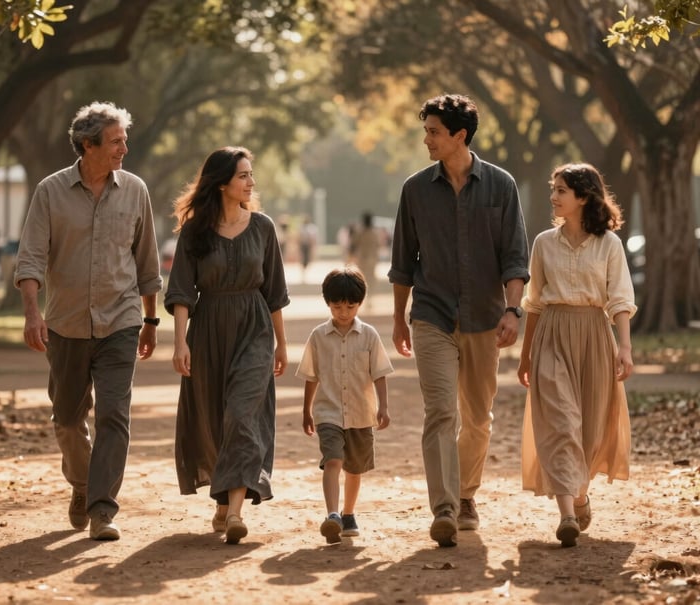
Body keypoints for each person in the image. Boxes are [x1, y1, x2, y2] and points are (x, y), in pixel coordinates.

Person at [14, 101, 162, 541]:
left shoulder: (135, 190)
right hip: (66, 325)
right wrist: (31, 313)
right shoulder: (50, 191)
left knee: (114, 415)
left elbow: (147, 261)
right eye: (115, 141)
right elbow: (32, 257)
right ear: (88, 145)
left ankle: (102, 508)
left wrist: (151, 320)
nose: (124, 148)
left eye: (123, 140)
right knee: (67, 420)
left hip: (121, 321)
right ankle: (82, 484)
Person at [388, 93, 530, 547]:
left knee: (478, 417)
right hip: (430, 314)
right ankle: (445, 507)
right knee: (441, 412)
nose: (426, 139)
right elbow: (403, 261)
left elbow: (514, 256)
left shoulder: (501, 186)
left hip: (485, 317)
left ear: (459, 136)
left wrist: (512, 310)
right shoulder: (414, 189)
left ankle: (467, 493)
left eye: (433, 131)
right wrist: (398, 318)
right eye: (426, 130)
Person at [164, 146, 289, 545]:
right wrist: (180, 343)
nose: (252, 182)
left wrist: (282, 344)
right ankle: (224, 499)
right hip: (209, 331)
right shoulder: (195, 231)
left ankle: (235, 512)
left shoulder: (264, 227)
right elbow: (182, 290)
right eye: (244, 176)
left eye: (251, 175)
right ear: (222, 184)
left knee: (242, 412)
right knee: (216, 417)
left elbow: (274, 292)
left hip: (254, 328)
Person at [517, 163, 636, 547]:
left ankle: (580, 495)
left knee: (588, 428)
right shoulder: (543, 243)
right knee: (561, 420)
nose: (553, 197)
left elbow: (619, 298)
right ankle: (567, 514)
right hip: (551, 334)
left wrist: (625, 347)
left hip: (594, 337)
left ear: (583, 197)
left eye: (561, 190)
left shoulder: (609, 245)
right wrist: (525, 355)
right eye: (553, 189)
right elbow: (534, 303)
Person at [296, 267, 393, 544]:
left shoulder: (370, 336)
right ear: (328, 303)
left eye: (350, 306)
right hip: (328, 412)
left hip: (362, 414)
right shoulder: (317, 336)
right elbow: (310, 376)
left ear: (359, 304)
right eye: (337, 306)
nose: (343, 312)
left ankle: (348, 513)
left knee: (354, 468)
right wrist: (306, 411)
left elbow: (380, 374)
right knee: (333, 460)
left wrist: (383, 407)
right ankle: (332, 516)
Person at [352, 212, 381, 303]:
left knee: (362, 277)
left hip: (362, 258)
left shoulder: (360, 232)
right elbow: (378, 246)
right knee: (371, 277)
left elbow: (353, 245)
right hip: (372, 258)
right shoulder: (375, 233)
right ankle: (370, 297)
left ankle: (363, 296)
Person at [298, 215, 318, 283]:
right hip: (303, 245)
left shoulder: (311, 228)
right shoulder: (302, 227)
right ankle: (304, 271)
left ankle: (305, 270)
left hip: (307, 245)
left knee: (307, 259)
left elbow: (313, 238)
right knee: (304, 259)